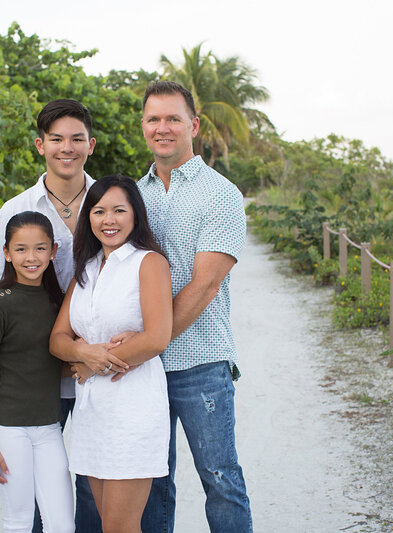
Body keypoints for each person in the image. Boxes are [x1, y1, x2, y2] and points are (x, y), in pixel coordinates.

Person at [136, 81, 253, 532]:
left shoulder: (220, 194)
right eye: (153, 119)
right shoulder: (132, 194)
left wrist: (147, 343)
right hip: (144, 368)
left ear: (194, 125)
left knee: (221, 479)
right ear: (143, 126)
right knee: (151, 482)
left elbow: (204, 286)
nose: (162, 128)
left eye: (172, 119)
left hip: (200, 361)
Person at [0, 99, 100, 532]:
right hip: (37, 378)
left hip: (96, 368)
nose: (65, 148)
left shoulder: (110, 204)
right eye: (56, 140)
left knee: (91, 488)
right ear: (40, 145)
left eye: (76, 139)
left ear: (91, 144)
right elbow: (1, 294)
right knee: (31, 495)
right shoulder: (14, 210)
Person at [49, 175, 173, 533]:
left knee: (120, 526)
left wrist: (96, 364)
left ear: (135, 215)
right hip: (93, 410)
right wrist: (84, 354)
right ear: (89, 217)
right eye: (100, 210)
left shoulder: (148, 262)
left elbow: (156, 337)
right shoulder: (86, 269)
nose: (109, 219)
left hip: (133, 408)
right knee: (107, 523)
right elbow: (58, 339)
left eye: (119, 210)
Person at [0, 211, 74, 533]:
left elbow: (58, 362)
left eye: (40, 248)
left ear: (54, 251)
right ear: (6, 253)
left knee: (62, 524)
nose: (31, 257)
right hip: (10, 428)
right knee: (17, 521)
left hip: (49, 427)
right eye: (20, 249)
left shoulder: (58, 302)